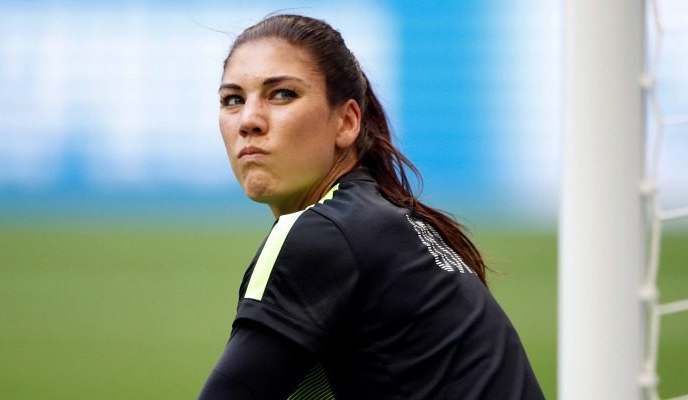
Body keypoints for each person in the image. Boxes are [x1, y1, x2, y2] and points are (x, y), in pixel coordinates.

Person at [199, 14, 544, 400]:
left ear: (346, 122)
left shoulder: (324, 234)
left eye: (282, 94)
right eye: (233, 100)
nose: (248, 120)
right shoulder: (375, 221)